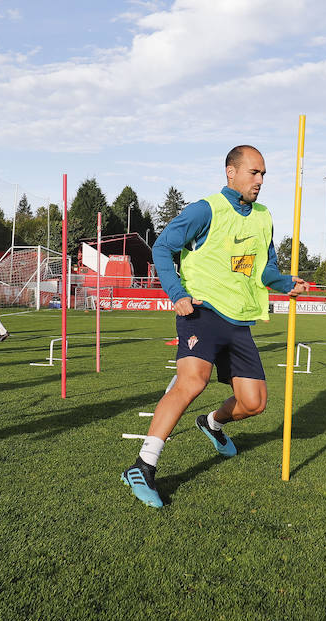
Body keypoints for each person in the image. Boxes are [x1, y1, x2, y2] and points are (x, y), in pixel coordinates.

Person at [122, 145, 308, 508]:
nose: (260, 181)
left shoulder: (264, 217)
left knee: (254, 403)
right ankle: (143, 465)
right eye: (254, 173)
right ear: (231, 172)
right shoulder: (205, 210)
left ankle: (211, 424)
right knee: (193, 381)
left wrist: (287, 283)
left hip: (239, 319)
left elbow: (265, 269)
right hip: (202, 311)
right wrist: (176, 292)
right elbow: (162, 248)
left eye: (264, 174)